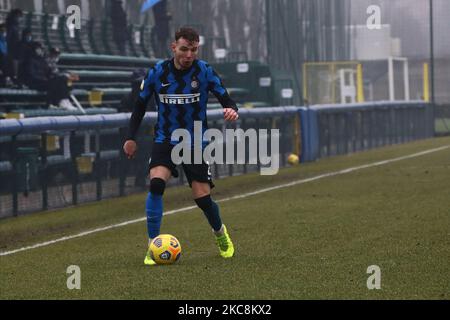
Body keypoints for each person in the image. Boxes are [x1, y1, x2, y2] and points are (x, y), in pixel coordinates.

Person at [123, 27, 239, 266]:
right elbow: (140, 105)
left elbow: (225, 95)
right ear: (173, 47)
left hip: (195, 140)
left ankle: (221, 235)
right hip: (165, 138)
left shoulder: (203, 71)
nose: (189, 55)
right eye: (184, 49)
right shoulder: (158, 72)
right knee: (156, 184)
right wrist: (130, 137)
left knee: (202, 198)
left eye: (194, 50)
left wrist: (230, 108)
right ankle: (152, 245)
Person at [22, 42, 77, 110]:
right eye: (40, 49)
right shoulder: (30, 60)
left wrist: (54, 76)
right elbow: (32, 75)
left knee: (62, 78)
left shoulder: (41, 60)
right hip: (35, 83)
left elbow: (48, 72)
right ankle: (54, 103)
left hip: (43, 81)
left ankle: (64, 100)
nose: (41, 50)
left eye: (42, 49)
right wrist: (45, 79)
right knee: (56, 82)